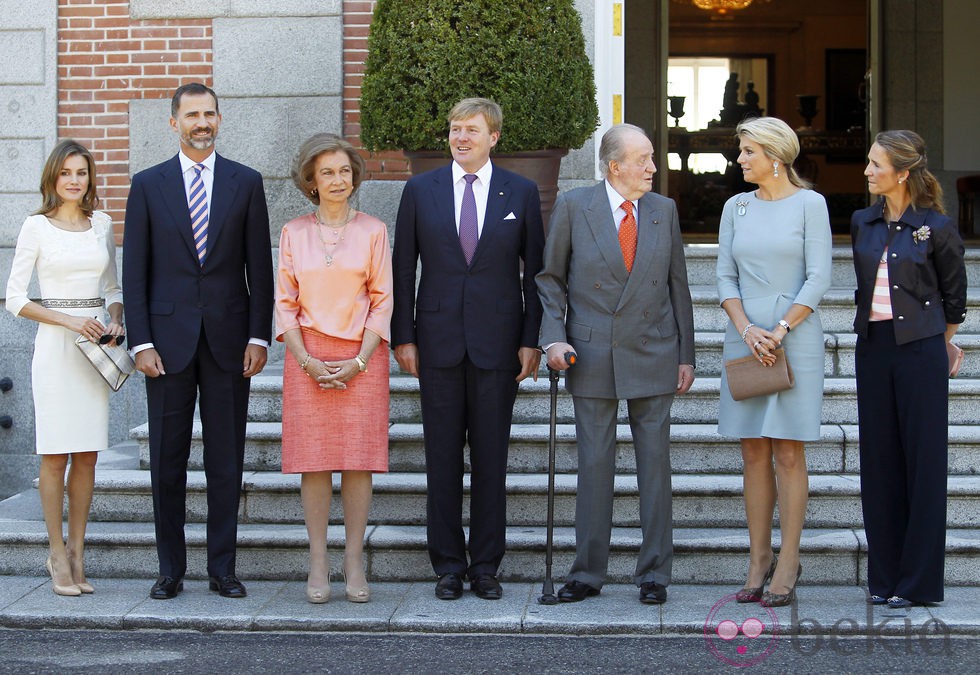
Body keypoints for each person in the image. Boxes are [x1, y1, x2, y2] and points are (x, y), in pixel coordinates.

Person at [123, 83, 274, 600]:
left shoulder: (246, 183)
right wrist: (139, 342)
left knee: (226, 460)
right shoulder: (147, 185)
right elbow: (134, 272)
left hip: (231, 343)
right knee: (168, 460)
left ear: (219, 118)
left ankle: (222, 569)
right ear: (174, 123)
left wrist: (259, 334)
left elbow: (261, 268)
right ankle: (170, 569)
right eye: (192, 115)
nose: (201, 122)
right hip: (165, 346)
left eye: (209, 113)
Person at [391, 97, 545, 601]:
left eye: (471, 130)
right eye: (455, 129)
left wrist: (530, 341)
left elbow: (536, 276)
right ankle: (448, 566)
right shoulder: (420, 190)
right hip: (435, 345)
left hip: (498, 348)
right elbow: (402, 268)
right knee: (440, 461)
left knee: (491, 461)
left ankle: (485, 566)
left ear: (493, 137)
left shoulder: (520, 192)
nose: (461, 138)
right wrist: (404, 336)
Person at [536, 123, 695, 605]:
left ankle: (654, 574)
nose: (653, 167)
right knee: (595, 466)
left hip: (654, 348)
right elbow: (550, 281)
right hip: (591, 352)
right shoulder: (573, 206)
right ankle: (587, 573)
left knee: (655, 466)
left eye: (651, 158)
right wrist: (553, 339)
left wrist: (687, 354)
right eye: (644, 159)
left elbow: (677, 286)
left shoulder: (662, 210)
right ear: (614, 166)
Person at [716, 116, 832, 608]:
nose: (739, 159)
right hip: (744, 339)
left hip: (794, 339)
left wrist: (781, 329)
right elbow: (724, 276)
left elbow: (819, 277)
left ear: (775, 156)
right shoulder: (735, 207)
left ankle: (789, 560)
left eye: (747, 151)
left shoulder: (812, 204)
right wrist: (747, 330)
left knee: (787, 451)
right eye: (740, 151)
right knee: (752, 453)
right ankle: (758, 559)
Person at [275, 133, 393, 604]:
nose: (337, 180)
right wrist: (304, 359)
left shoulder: (374, 231)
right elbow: (285, 303)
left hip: (363, 356)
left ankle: (354, 562)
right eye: (327, 172)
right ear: (311, 180)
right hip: (307, 356)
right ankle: (319, 562)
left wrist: (360, 360)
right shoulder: (292, 232)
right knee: (315, 461)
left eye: (345, 171)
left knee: (358, 461)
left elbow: (383, 299)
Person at [851, 130, 966, 609]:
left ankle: (918, 584)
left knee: (923, 464)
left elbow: (955, 299)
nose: (867, 171)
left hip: (921, 352)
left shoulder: (936, 226)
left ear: (902, 173)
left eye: (876, 165)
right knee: (879, 463)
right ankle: (884, 579)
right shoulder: (862, 221)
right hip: (873, 350)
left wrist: (942, 345)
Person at [5, 139, 124, 596]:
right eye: (66, 173)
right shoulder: (36, 226)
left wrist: (114, 317)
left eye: (82, 172)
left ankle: (78, 551)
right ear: (53, 178)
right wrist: (70, 319)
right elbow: (15, 298)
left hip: (95, 351)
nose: (74, 180)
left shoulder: (102, 224)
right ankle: (55, 552)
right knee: (54, 455)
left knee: (88, 455)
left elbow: (112, 285)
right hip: (56, 349)